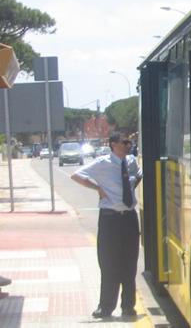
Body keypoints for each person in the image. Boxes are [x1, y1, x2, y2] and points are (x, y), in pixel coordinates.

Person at [70, 132, 143, 319]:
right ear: (113, 145)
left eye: (129, 142)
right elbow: (76, 176)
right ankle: (105, 307)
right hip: (110, 219)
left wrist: (132, 186)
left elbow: (139, 175)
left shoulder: (132, 161)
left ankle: (128, 307)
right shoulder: (102, 163)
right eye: (124, 142)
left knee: (129, 265)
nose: (128, 145)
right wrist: (97, 188)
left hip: (129, 218)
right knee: (109, 264)